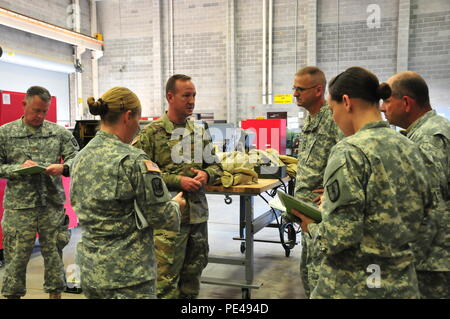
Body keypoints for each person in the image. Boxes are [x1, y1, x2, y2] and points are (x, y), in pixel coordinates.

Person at [292, 66, 433, 298]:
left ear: (346, 102)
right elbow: (426, 213)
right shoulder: (409, 145)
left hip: (355, 283)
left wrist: (311, 226)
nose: (334, 118)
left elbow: (338, 237)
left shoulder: (350, 151)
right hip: (401, 281)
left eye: (332, 108)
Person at [70, 87, 185, 299]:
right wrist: (176, 204)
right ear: (128, 116)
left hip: (91, 271)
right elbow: (162, 216)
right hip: (129, 277)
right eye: (138, 121)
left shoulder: (80, 158)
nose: (138, 129)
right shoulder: (134, 160)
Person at [133, 74, 223, 299]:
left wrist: (207, 174)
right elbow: (141, 176)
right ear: (170, 97)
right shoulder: (152, 134)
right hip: (168, 221)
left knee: (193, 278)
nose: (191, 100)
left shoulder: (199, 133)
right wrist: (177, 181)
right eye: (186, 95)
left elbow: (218, 168)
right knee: (165, 282)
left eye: (194, 95)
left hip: (198, 219)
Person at [0, 86, 79, 299]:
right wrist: (16, 169)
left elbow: (76, 157)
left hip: (51, 206)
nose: (40, 116)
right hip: (19, 209)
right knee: (15, 260)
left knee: (54, 257)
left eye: (44, 111)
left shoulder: (58, 132)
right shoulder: (5, 133)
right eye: (36, 110)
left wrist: (63, 168)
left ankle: (56, 295)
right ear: (24, 104)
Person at [380, 71, 450, 298]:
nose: (382, 108)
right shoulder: (422, 132)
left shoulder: (429, 137)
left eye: (387, 101)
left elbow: (429, 203)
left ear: (407, 102)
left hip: (432, 262)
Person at [285, 66, 343, 298]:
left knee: (321, 279)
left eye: (300, 89)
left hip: (322, 216)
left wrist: (330, 192)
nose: (295, 94)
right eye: (294, 89)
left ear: (319, 90)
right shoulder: (311, 120)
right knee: (308, 274)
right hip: (307, 214)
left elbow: (348, 158)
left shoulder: (333, 118)